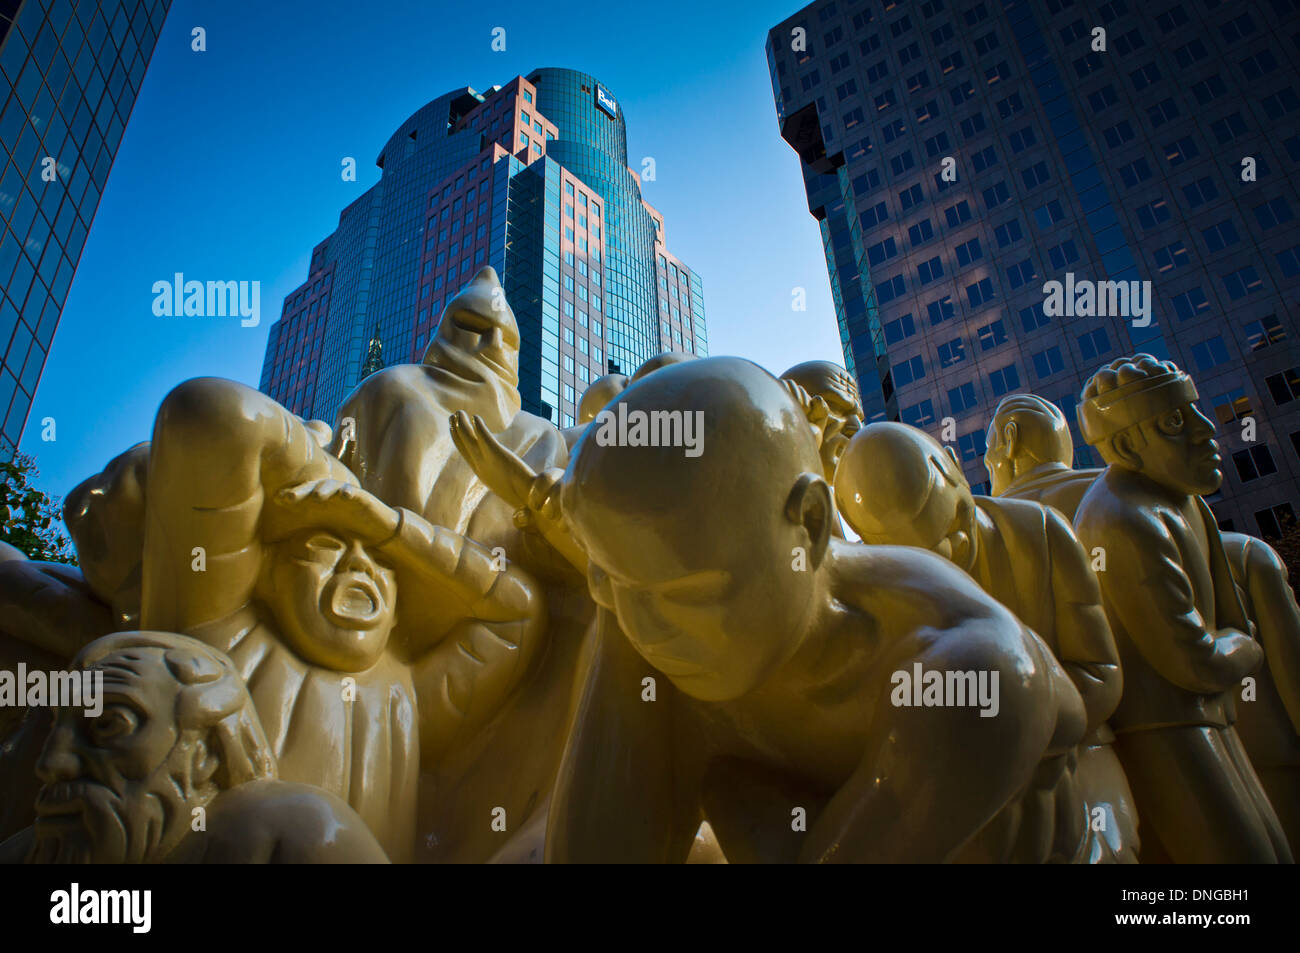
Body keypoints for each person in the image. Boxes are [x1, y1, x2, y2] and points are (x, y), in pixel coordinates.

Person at [531, 357, 1088, 862]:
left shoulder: (962, 666)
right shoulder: (664, 637)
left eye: (688, 592)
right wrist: (620, 585)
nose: (645, 629)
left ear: (813, 525)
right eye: (610, 582)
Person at [140, 376, 546, 861]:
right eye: (324, 548)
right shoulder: (220, 636)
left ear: (398, 616)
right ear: (264, 572)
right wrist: (333, 479)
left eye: (381, 563)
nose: (358, 565)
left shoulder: (409, 702)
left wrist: (390, 525)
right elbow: (212, 413)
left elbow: (518, 609)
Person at [836, 421, 1135, 862]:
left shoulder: (1043, 532)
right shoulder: (877, 594)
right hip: (955, 783)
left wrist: (1020, 737)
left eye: (957, 520)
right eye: (925, 556)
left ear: (957, 468)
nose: (954, 550)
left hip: (1076, 752)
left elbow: (1101, 672)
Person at [1073, 354, 1290, 862]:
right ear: (1126, 444)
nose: (1205, 429)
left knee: (1273, 849)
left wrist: (1234, 646)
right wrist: (1246, 648)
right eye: (1174, 422)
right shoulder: (1122, 519)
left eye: (1192, 411)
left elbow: (1225, 631)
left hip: (1212, 717)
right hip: (1164, 732)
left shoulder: (1187, 504)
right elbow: (1196, 660)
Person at [0, 631, 387, 864]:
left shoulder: (297, 831)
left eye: (107, 726)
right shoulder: (30, 851)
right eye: (56, 728)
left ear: (207, 754)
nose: (52, 764)